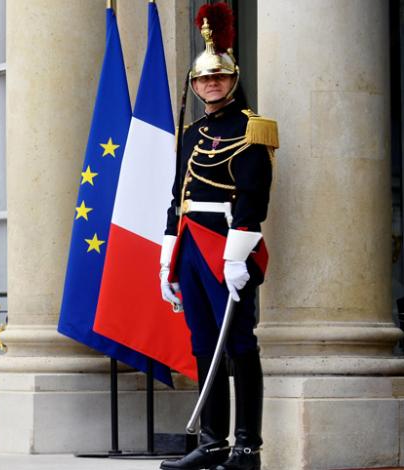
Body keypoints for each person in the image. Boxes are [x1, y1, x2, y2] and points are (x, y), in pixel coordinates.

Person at [158, 4, 278, 470]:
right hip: (190, 246)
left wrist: (236, 257)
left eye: (219, 78)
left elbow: (253, 200)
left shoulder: (253, 128)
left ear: (232, 79)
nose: (211, 84)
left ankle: (247, 447)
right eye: (204, 78)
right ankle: (212, 443)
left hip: (227, 246)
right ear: (194, 84)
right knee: (203, 344)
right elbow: (177, 197)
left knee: (240, 344)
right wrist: (166, 261)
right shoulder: (190, 133)